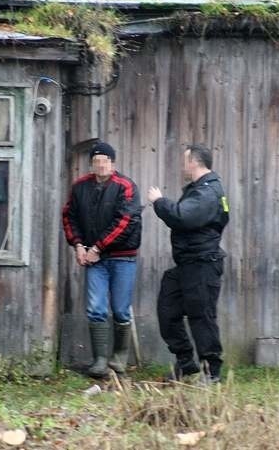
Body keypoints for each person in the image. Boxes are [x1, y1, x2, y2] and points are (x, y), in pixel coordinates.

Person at [147, 144, 229, 383]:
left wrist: (159, 202)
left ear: (194, 162)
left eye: (185, 161)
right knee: (167, 310)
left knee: (202, 317)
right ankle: (186, 363)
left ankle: (212, 372)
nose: (183, 166)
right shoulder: (200, 190)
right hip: (186, 265)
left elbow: (183, 216)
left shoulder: (208, 192)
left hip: (202, 264)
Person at [62, 141, 142, 378]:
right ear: (91, 164)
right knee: (96, 308)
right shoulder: (80, 187)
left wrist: (98, 247)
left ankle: (119, 358)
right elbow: (68, 216)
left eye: (104, 161)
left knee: (120, 309)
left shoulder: (126, 187)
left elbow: (125, 222)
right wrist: (77, 245)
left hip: (122, 257)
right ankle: (99, 360)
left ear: (112, 163)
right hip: (92, 258)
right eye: (96, 161)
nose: (100, 165)